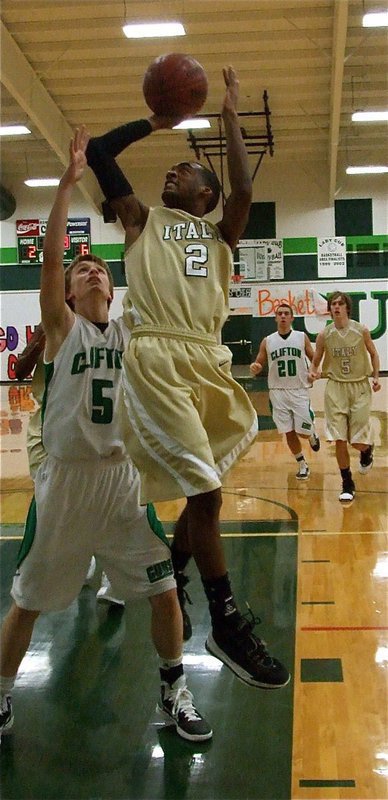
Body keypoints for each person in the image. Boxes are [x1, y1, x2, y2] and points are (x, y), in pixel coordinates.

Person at [0, 127, 212, 744]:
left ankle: (174, 690)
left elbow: (151, 267)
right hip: (64, 484)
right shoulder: (63, 332)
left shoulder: (131, 333)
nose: (91, 273)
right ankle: (2, 696)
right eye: (81, 270)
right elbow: (53, 258)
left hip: (124, 482)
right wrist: (66, 186)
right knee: (27, 603)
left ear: (112, 290)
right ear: (67, 293)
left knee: (165, 590)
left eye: (99, 270)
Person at [86, 66, 290, 689]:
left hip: (208, 361)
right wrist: (156, 121)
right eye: (172, 168)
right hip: (156, 359)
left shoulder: (222, 232)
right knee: (205, 494)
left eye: (187, 171)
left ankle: (171, 568)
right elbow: (99, 151)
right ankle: (226, 624)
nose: (173, 170)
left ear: (207, 194)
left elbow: (244, 189)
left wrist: (228, 112)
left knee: (212, 478)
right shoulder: (141, 219)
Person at [14, 327, 124, 606]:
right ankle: (80, 558)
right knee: (55, 501)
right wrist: (40, 338)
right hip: (45, 432)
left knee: (103, 500)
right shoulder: (50, 327)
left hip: (89, 433)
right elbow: (19, 371)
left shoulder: (102, 336)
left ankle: (112, 574)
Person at [309, 291, 381, 504]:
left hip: (359, 387)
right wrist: (313, 371)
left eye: (340, 303)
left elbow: (374, 354)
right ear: (329, 309)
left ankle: (367, 450)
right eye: (333, 304)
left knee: (357, 442)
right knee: (339, 438)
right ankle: (347, 482)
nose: (336, 307)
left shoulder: (361, 331)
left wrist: (376, 377)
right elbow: (316, 360)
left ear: (347, 308)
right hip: (335, 388)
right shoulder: (324, 335)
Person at [249, 303, 320, 480]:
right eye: (279, 313)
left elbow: (314, 359)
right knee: (288, 431)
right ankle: (302, 464)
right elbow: (259, 362)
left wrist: (315, 371)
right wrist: (255, 367)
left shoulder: (301, 337)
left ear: (291, 318)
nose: (282, 316)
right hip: (277, 392)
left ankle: (311, 433)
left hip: (298, 389)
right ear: (275, 318)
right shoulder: (268, 340)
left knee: (302, 432)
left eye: (286, 313)